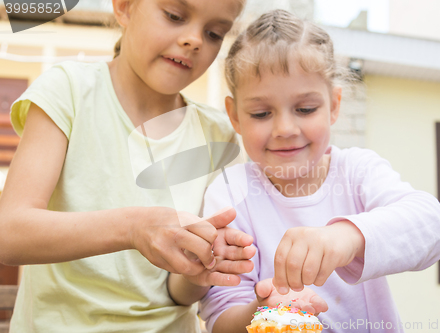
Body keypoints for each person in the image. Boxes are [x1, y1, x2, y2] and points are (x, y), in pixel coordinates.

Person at [0, 0, 257, 332]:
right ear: (124, 7)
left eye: (214, 33)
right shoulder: (70, 91)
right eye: (175, 16)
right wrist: (133, 228)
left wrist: (199, 268)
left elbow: (178, 291)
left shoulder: (219, 135)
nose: (194, 39)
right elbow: (9, 233)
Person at [199, 9, 440, 333]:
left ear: (334, 105)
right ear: (234, 116)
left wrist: (346, 237)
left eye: (305, 109)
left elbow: (432, 227)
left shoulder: (357, 171)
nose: (285, 128)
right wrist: (263, 310)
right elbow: (220, 319)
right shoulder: (231, 193)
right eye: (261, 113)